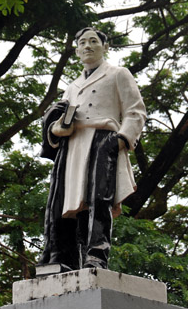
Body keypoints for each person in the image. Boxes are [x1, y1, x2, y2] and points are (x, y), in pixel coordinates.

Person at [38, 27, 147, 271]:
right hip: (73, 145)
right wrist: (56, 129)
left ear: (105, 47)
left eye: (93, 41)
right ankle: (62, 258)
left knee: (99, 199)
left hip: (102, 139)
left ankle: (97, 254)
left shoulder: (118, 74)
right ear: (76, 50)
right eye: (82, 42)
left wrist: (120, 140)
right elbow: (60, 118)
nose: (88, 46)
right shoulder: (72, 86)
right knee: (66, 203)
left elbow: (135, 111)